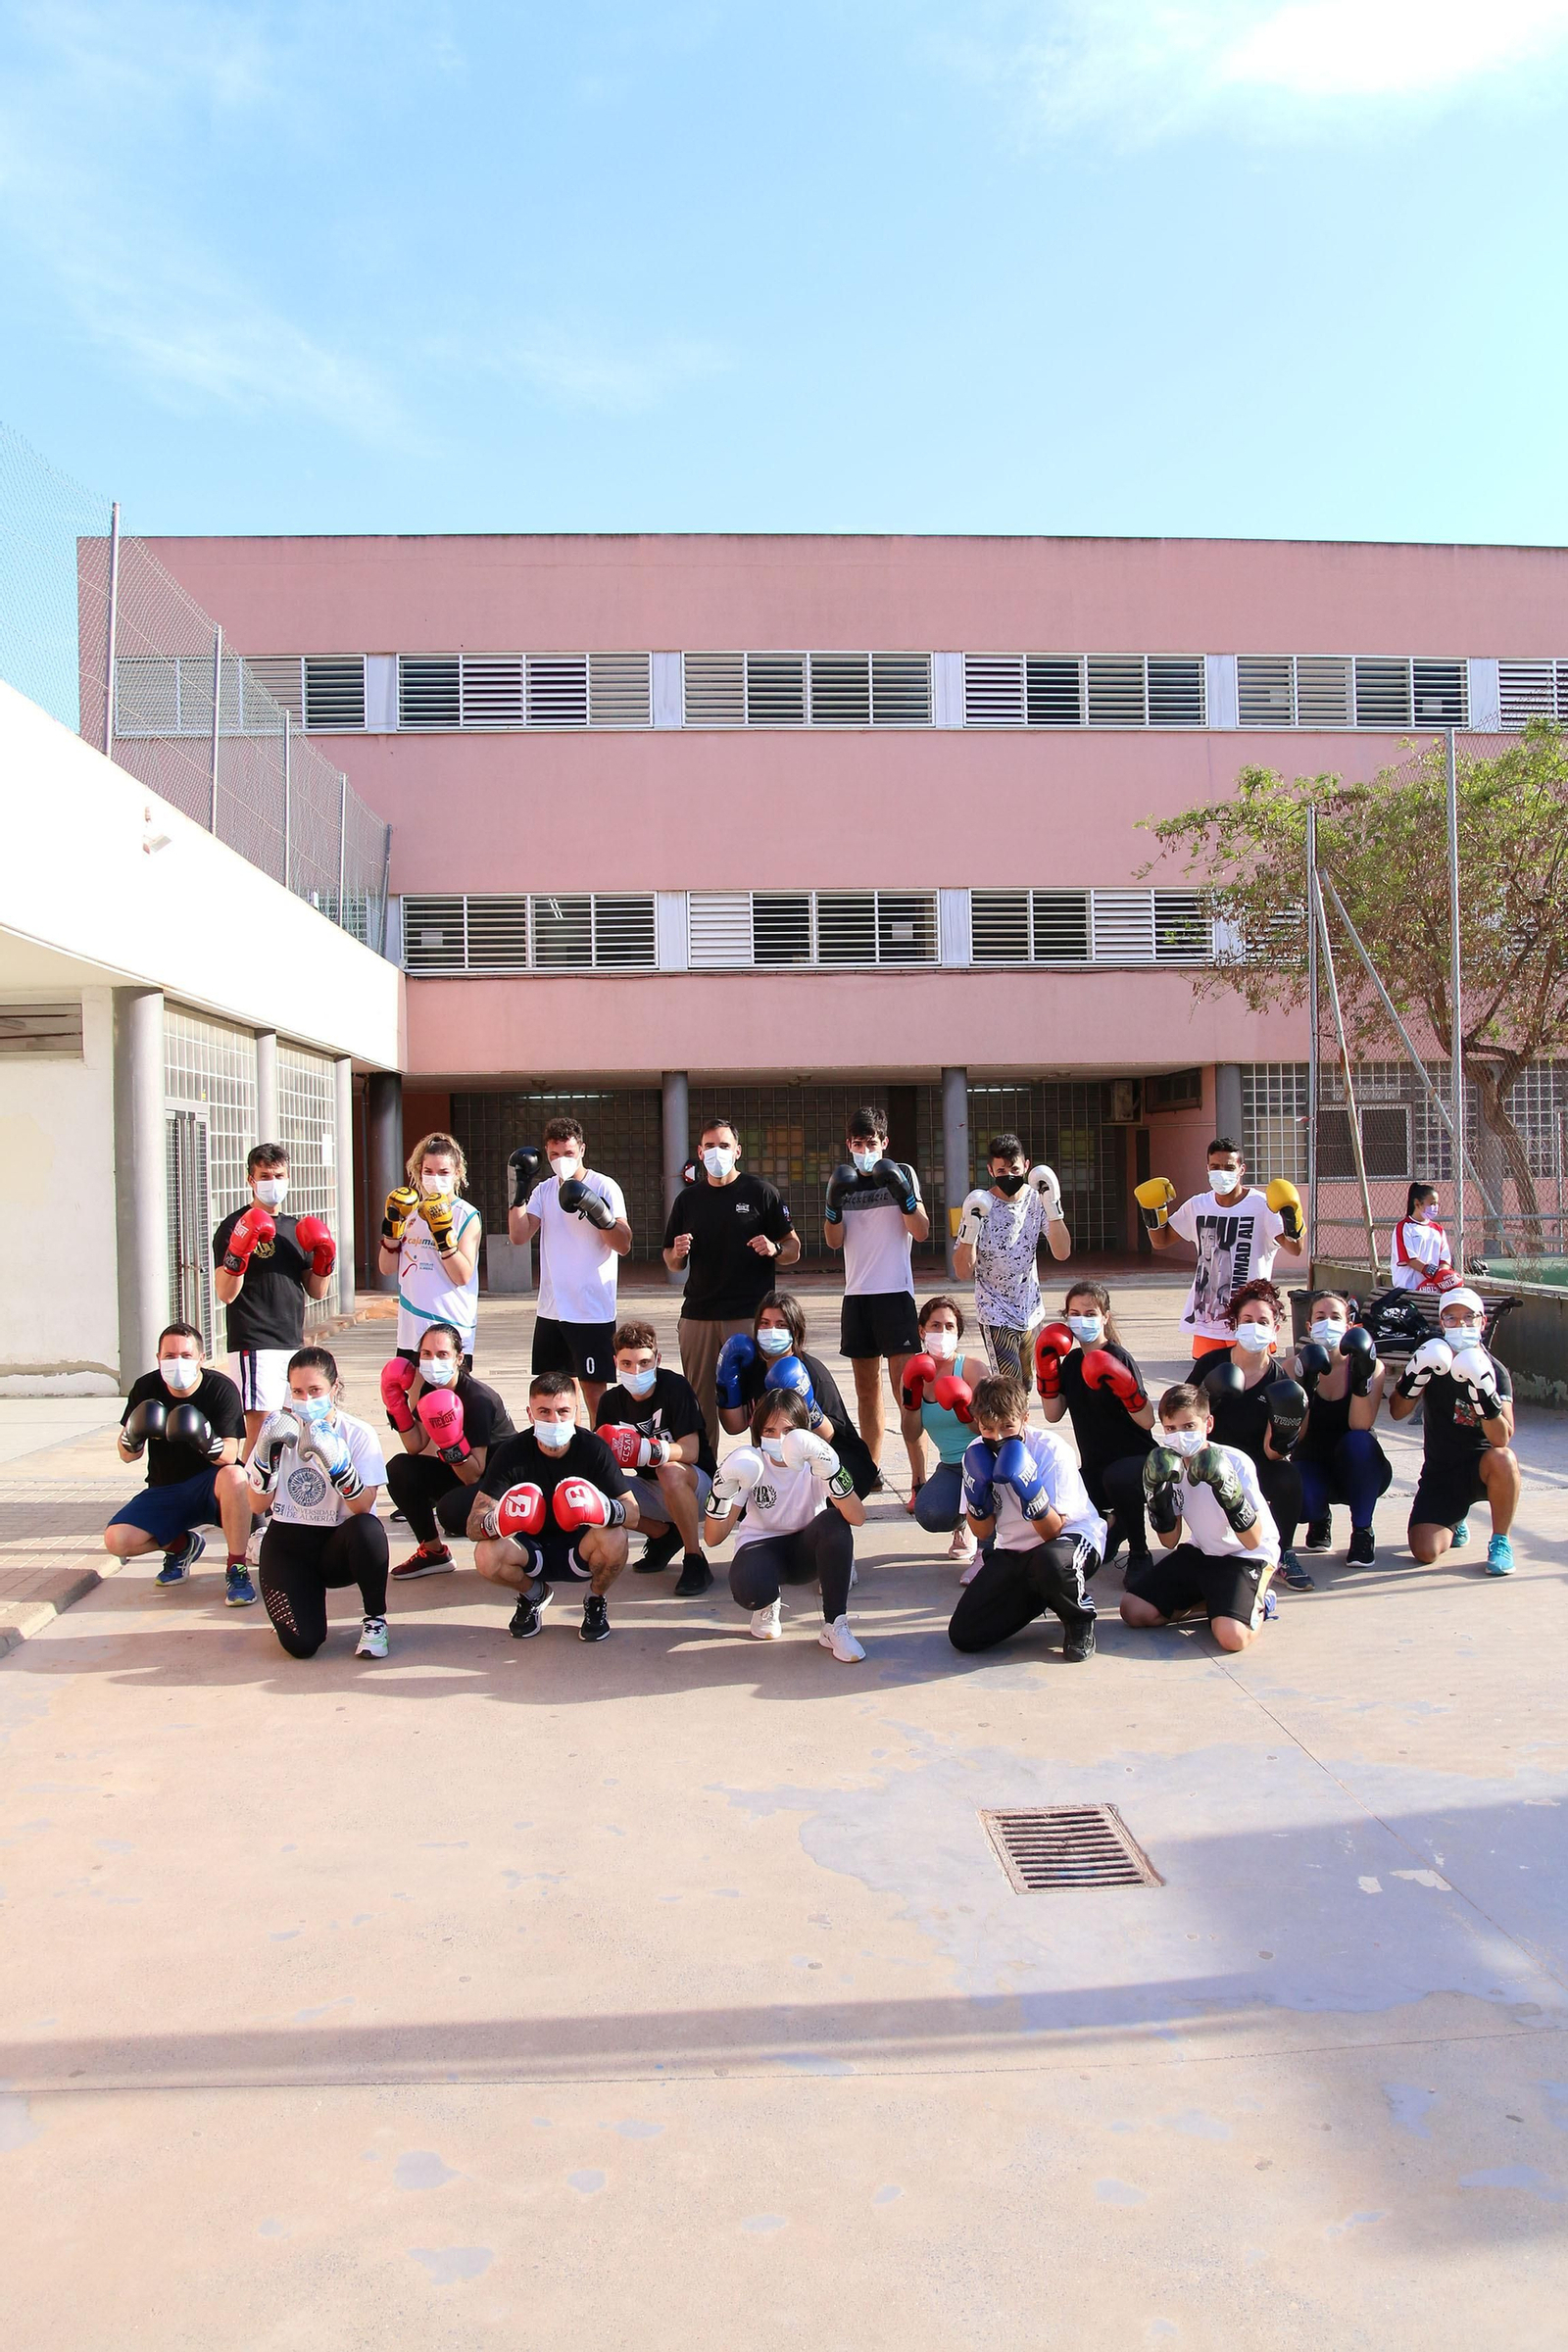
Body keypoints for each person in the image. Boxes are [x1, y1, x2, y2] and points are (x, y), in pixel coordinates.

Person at [467, 1371, 639, 1642]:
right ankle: (533, 1594)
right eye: (544, 1412)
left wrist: (603, 1509)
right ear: (530, 1413)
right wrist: (498, 1521)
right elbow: (474, 1523)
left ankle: (595, 1599)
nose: (554, 1420)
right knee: (486, 1555)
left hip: (580, 1549)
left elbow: (633, 1511)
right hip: (529, 1551)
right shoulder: (511, 1452)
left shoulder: (593, 1448)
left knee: (615, 1536)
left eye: (562, 1411)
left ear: (575, 1411)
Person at [946, 1372, 1103, 1662]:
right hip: (1015, 1551)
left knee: (1051, 1562)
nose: (998, 1436)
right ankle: (1044, 1593)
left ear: (1024, 1418)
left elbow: (1054, 1532)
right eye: (989, 1429)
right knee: (965, 1634)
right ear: (978, 1424)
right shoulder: (975, 1454)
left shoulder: (1051, 1451)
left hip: (1071, 1541)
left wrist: (1032, 1494)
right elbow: (983, 1532)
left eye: (1007, 1427)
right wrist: (978, 1502)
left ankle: (1079, 1617)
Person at [662, 1116, 799, 1446]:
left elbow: (793, 1249)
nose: (716, 1152)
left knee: (762, 1402)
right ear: (699, 1151)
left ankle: (769, 1475)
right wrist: (677, 1252)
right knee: (700, 1405)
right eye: (709, 1146)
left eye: (723, 1145)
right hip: (699, 1316)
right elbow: (671, 1259)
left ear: (737, 1151)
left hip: (749, 1316)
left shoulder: (761, 1193)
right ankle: (705, 1482)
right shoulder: (687, 1200)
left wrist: (774, 1247)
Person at [703, 1391, 868, 1662]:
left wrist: (833, 1470)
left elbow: (857, 1517)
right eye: (770, 1430)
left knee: (834, 1523)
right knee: (750, 1587)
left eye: (789, 1430)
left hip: (807, 1547)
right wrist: (720, 1491)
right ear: (758, 1432)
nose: (779, 1438)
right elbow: (713, 1538)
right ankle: (767, 1603)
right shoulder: (750, 1464)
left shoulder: (814, 1461)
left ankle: (835, 1625)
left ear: (803, 1431)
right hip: (761, 1547)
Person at [248, 1347, 390, 1659]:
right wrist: (263, 1460)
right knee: (301, 1645)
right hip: (288, 1544)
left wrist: (340, 1468)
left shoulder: (358, 1433)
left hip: (338, 1546)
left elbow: (364, 1506)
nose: (306, 1400)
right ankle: (299, 1606)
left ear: (334, 1388)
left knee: (368, 1529)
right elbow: (257, 1505)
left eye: (315, 1390)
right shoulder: (278, 1431)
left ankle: (375, 1620)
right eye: (298, 1391)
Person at [1120, 1383, 1281, 1652]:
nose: (1179, 1435)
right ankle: (1217, 1604)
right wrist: (1156, 1498)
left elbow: (1253, 1541)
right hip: (1203, 1550)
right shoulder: (1168, 1465)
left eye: (1188, 1426)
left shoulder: (1234, 1461)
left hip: (1246, 1556)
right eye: (1171, 1429)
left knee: (1232, 1638)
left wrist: (1230, 1496)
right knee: (1133, 1610)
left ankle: (1258, 1602)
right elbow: (1170, 1541)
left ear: (1208, 1424)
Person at [105, 1323, 254, 1603]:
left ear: (201, 1358)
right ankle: (182, 1547)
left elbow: (231, 1454)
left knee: (235, 1474)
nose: (178, 1362)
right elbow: (127, 1456)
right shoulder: (146, 1387)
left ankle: (237, 1567)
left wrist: (202, 1437)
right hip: (166, 1488)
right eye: (170, 1356)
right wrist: (133, 1435)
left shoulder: (220, 1389)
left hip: (214, 1489)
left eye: (186, 1356)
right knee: (117, 1540)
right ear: (158, 1358)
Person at [824, 1106, 930, 1487]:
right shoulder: (842, 1179)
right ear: (848, 1144)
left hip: (895, 1293)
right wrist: (833, 1204)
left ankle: (919, 1477)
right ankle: (871, 1471)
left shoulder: (902, 1173)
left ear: (884, 1143)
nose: (864, 1149)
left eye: (871, 1142)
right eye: (857, 1142)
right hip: (857, 1297)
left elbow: (921, 1231)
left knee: (906, 1393)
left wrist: (903, 1195)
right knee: (866, 1392)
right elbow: (834, 1241)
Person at [509, 1115, 632, 1421]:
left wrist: (597, 1211)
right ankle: (565, 1452)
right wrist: (520, 1189)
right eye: (554, 1155)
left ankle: (601, 1454)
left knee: (593, 1391)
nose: (561, 1160)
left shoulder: (603, 1185)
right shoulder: (544, 1190)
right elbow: (519, 1235)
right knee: (556, 1393)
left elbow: (624, 1243)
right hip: (552, 1309)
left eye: (568, 1153)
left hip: (591, 1309)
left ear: (582, 1150)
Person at [1390, 1286, 1520, 1575]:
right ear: (1442, 1323)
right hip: (1440, 1473)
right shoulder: (1433, 1360)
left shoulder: (1495, 1371)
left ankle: (1501, 1541)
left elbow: (1502, 1437)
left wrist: (1484, 1392)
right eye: (1451, 1318)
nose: (1460, 1325)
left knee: (1505, 1459)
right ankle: (1456, 1519)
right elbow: (1397, 1412)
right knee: (1425, 1551)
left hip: (1482, 1470)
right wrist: (1413, 1376)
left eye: (1468, 1317)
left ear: (1482, 1322)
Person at [214, 1144, 335, 1449]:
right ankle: (249, 1497)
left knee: (294, 1431)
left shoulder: (297, 1229)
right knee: (260, 1436)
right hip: (254, 1343)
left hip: (292, 1343)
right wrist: (239, 1252)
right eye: (264, 1175)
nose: (272, 1182)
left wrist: (325, 1259)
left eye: (279, 1175)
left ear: (288, 1177)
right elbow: (225, 1293)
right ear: (250, 1179)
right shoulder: (233, 1226)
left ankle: (281, 1497)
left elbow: (317, 1290)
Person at [1135, 1138, 1303, 1359]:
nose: (1221, 1173)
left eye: (1229, 1167)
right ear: (1207, 1168)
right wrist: (1153, 1212)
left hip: (1250, 1316)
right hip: (1208, 1316)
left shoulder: (1262, 1205)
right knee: (1208, 1386)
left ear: (1242, 1169)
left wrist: (1293, 1218)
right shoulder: (1198, 1205)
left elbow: (1295, 1249)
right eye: (1215, 1167)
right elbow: (1161, 1241)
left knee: (1251, 1379)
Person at [1194, 1278, 1311, 1590]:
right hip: (1208, 1459)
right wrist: (1208, 1396)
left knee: (1288, 1478)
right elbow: (1180, 1415)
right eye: (1247, 1320)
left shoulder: (1278, 1378)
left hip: (1256, 1462)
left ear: (1275, 1329)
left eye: (1263, 1321)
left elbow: (1275, 1452)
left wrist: (1287, 1431)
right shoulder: (1211, 1364)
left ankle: (1282, 1552)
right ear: (1235, 1324)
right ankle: (1199, 1550)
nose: (1254, 1326)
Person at [1034, 1280, 1156, 1573]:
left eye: (1090, 1313)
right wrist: (1045, 1369)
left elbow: (1148, 1420)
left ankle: (1140, 1554)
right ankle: (1113, 1527)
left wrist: (1127, 1389)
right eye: (1074, 1313)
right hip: (1095, 1465)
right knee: (1059, 1496)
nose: (1082, 1320)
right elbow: (1053, 1414)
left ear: (1105, 1317)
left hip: (1138, 1462)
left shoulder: (1118, 1357)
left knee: (1118, 1477)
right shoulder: (1072, 1361)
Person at [381, 1321, 516, 1581]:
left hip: (499, 1481)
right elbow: (415, 1445)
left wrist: (449, 1440)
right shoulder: (429, 1389)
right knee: (399, 1469)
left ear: (458, 1359)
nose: (434, 1361)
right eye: (427, 1354)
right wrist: (395, 1407)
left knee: (451, 1513)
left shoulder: (478, 1399)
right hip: (466, 1471)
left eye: (442, 1354)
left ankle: (519, 1534)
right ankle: (433, 1553)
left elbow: (472, 1476)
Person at [714, 1290, 879, 1498]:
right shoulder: (752, 1368)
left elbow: (830, 1436)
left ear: (795, 1331)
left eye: (780, 1325)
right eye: (764, 1323)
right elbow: (734, 1426)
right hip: (778, 1462)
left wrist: (806, 1401)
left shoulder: (813, 1372)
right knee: (737, 1497)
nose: (771, 1330)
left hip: (833, 1460)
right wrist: (725, 1381)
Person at [594, 1319, 715, 1595]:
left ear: (657, 1359)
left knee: (669, 1470)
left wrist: (644, 1449)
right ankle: (661, 1534)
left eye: (644, 1363)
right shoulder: (611, 1402)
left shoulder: (675, 1387)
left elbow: (691, 1450)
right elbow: (600, 1459)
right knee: (592, 1489)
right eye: (627, 1364)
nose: (635, 1371)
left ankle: (695, 1558)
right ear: (615, 1362)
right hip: (650, 1491)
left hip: (696, 1487)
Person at [953, 1132, 1071, 1380]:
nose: (1009, 1176)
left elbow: (1062, 1252)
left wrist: (1053, 1206)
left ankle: (1018, 1421)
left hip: (1030, 1309)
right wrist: (970, 1229)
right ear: (990, 1170)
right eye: (1002, 1170)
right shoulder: (979, 1205)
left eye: (1015, 1169)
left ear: (1026, 1166)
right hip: (994, 1310)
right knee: (1009, 1385)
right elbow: (963, 1272)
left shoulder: (1037, 1200)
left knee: (1027, 1385)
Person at [1291, 1293, 1391, 1567]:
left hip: (1357, 1466)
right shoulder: (1293, 1367)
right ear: (1309, 1326)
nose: (1328, 1323)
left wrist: (1361, 1377)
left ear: (1348, 1325)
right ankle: (1319, 1516)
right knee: (1301, 1498)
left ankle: (1362, 1531)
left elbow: (1360, 1425)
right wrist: (1306, 1388)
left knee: (1359, 1442)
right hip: (1311, 1459)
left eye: (1335, 1317)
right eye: (1320, 1317)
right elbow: (1295, 1437)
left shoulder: (1373, 1366)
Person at [379, 1131, 482, 1368]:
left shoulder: (465, 1214)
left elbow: (462, 1275)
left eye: (443, 1172)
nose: (436, 1178)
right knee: (408, 1402)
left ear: (457, 1173)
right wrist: (392, 1231)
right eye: (429, 1171)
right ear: (419, 1170)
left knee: (447, 1402)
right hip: (412, 1325)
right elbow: (386, 1268)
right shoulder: (409, 1209)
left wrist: (442, 1234)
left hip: (450, 1326)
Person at [903, 1296, 991, 1572]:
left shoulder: (972, 1369)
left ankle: (988, 1550)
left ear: (958, 1332)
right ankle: (964, 1523)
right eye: (935, 1326)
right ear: (922, 1331)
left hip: (987, 1459)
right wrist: (912, 1397)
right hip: (953, 1466)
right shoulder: (915, 1371)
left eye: (949, 1327)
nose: (942, 1333)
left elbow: (994, 1430)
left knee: (985, 1482)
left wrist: (966, 1411)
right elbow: (911, 1432)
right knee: (929, 1512)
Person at [1390, 1184, 1459, 1294]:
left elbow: (1444, 1259)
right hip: (1409, 1288)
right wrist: (1434, 1273)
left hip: (1434, 1290)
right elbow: (1410, 1259)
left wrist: (1442, 1275)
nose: (1435, 1207)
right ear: (1417, 1203)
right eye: (1431, 1204)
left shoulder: (1438, 1229)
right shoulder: (1404, 1227)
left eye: (1436, 1204)